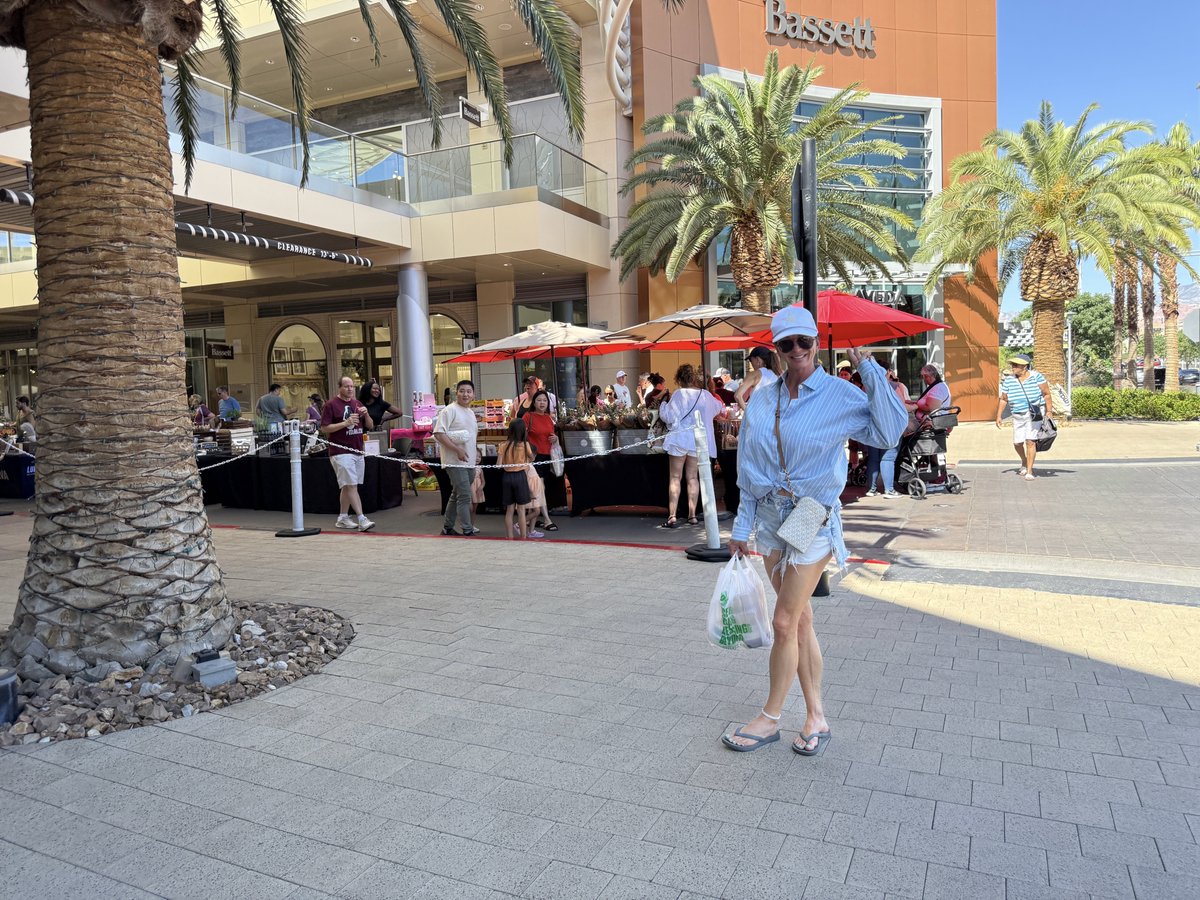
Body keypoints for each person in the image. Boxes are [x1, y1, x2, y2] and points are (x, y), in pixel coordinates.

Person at [723, 305, 907, 755]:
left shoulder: (839, 395)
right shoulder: (765, 397)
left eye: (805, 341)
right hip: (769, 515)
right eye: (787, 344)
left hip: (811, 514)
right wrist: (742, 527)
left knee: (784, 621)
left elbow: (890, 430)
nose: (798, 350)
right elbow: (749, 467)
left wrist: (867, 366)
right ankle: (816, 717)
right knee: (801, 620)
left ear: (816, 343)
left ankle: (769, 718)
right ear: (778, 349)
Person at [658, 364, 726, 528]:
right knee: (693, 478)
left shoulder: (679, 394)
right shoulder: (706, 395)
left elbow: (668, 417)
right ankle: (692, 515)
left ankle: (673, 515)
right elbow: (719, 409)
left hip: (679, 439)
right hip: (698, 441)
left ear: (679, 379)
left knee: (675, 478)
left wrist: (662, 405)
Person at [318, 376, 375, 532]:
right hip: (340, 450)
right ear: (339, 388)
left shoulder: (357, 404)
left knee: (347, 485)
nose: (350, 389)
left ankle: (343, 517)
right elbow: (324, 428)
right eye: (346, 386)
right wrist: (346, 423)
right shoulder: (331, 405)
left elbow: (370, 426)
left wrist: (367, 414)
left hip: (357, 449)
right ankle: (362, 518)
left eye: (352, 386)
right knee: (351, 485)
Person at [434, 379, 481, 537]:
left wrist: (476, 452)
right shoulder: (449, 410)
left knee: (457, 494)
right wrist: (456, 450)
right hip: (454, 461)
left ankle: (447, 527)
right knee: (465, 495)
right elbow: (439, 434)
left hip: (469, 462)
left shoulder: (471, 413)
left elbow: (471, 437)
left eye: (468, 391)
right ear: (456, 393)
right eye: (462, 391)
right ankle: (467, 529)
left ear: (473, 394)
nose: (465, 394)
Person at [997, 353, 1051, 481]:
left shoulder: (1036, 377)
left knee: (1030, 441)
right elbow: (1004, 399)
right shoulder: (1009, 380)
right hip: (1017, 414)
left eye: (1015, 365)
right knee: (1017, 443)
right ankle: (1024, 460)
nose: (1013, 367)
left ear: (1024, 366)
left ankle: (1029, 470)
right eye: (1012, 365)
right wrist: (998, 415)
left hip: (1033, 414)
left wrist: (1049, 411)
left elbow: (1046, 394)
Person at [864, 368, 911, 498]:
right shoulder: (895, 387)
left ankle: (872, 489)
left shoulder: (867, 387)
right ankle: (889, 490)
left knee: (873, 458)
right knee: (888, 458)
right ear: (887, 373)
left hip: (872, 426)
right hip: (891, 427)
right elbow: (903, 406)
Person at [523, 389, 562, 531]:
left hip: (547, 456)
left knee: (537, 489)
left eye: (544, 400)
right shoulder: (528, 416)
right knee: (540, 488)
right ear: (534, 402)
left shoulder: (548, 418)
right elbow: (522, 436)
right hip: (534, 457)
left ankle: (530, 517)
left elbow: (551, 435)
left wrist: (556, 438)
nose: (542, 403)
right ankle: (546, 519)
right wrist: (528, 453)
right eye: (539, 400)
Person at [498, 418, 538, 540]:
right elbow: (532, 458)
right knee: (521, 509)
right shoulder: (525, 445)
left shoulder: (503, 445)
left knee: (509, 510)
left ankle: (509, 536)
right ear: (523, 431)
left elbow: (498, 465)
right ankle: (523, 536)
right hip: (520, 476)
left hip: (507, 477)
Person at [735, 346, 780, 411]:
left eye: (751, 360)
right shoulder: (778, 374)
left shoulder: (754, 374)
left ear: (758, 360)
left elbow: (738, 396)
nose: (751, 363)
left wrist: (748, 414)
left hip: (758, 416)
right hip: (773, 416)